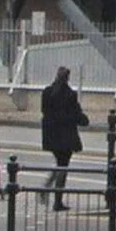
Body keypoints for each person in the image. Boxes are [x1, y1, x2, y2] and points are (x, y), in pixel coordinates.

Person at [40, 66, 89, 209]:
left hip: (51, 135)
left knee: (60, 164)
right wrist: (84, 120)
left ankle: (50, 192)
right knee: (63, 166)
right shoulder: (70, 94)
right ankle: (55, 198)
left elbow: (44, 111)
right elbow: (76, 114)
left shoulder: (47, 92)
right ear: (68, 78)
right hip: (66, 136)